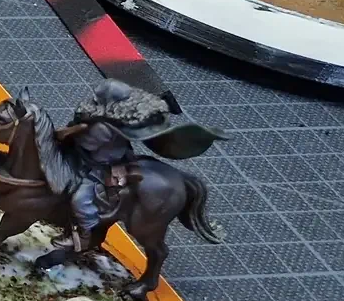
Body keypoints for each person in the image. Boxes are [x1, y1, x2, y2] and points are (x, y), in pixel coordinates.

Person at [54, 80, 221, 252]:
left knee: (80, 199)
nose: (94, 101)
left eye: (99, 99)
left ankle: (83, 234)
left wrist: (70, 132)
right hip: (92, 157)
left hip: (99, 164)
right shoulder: (106, 119)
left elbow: (88, 144)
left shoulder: (103, 128)